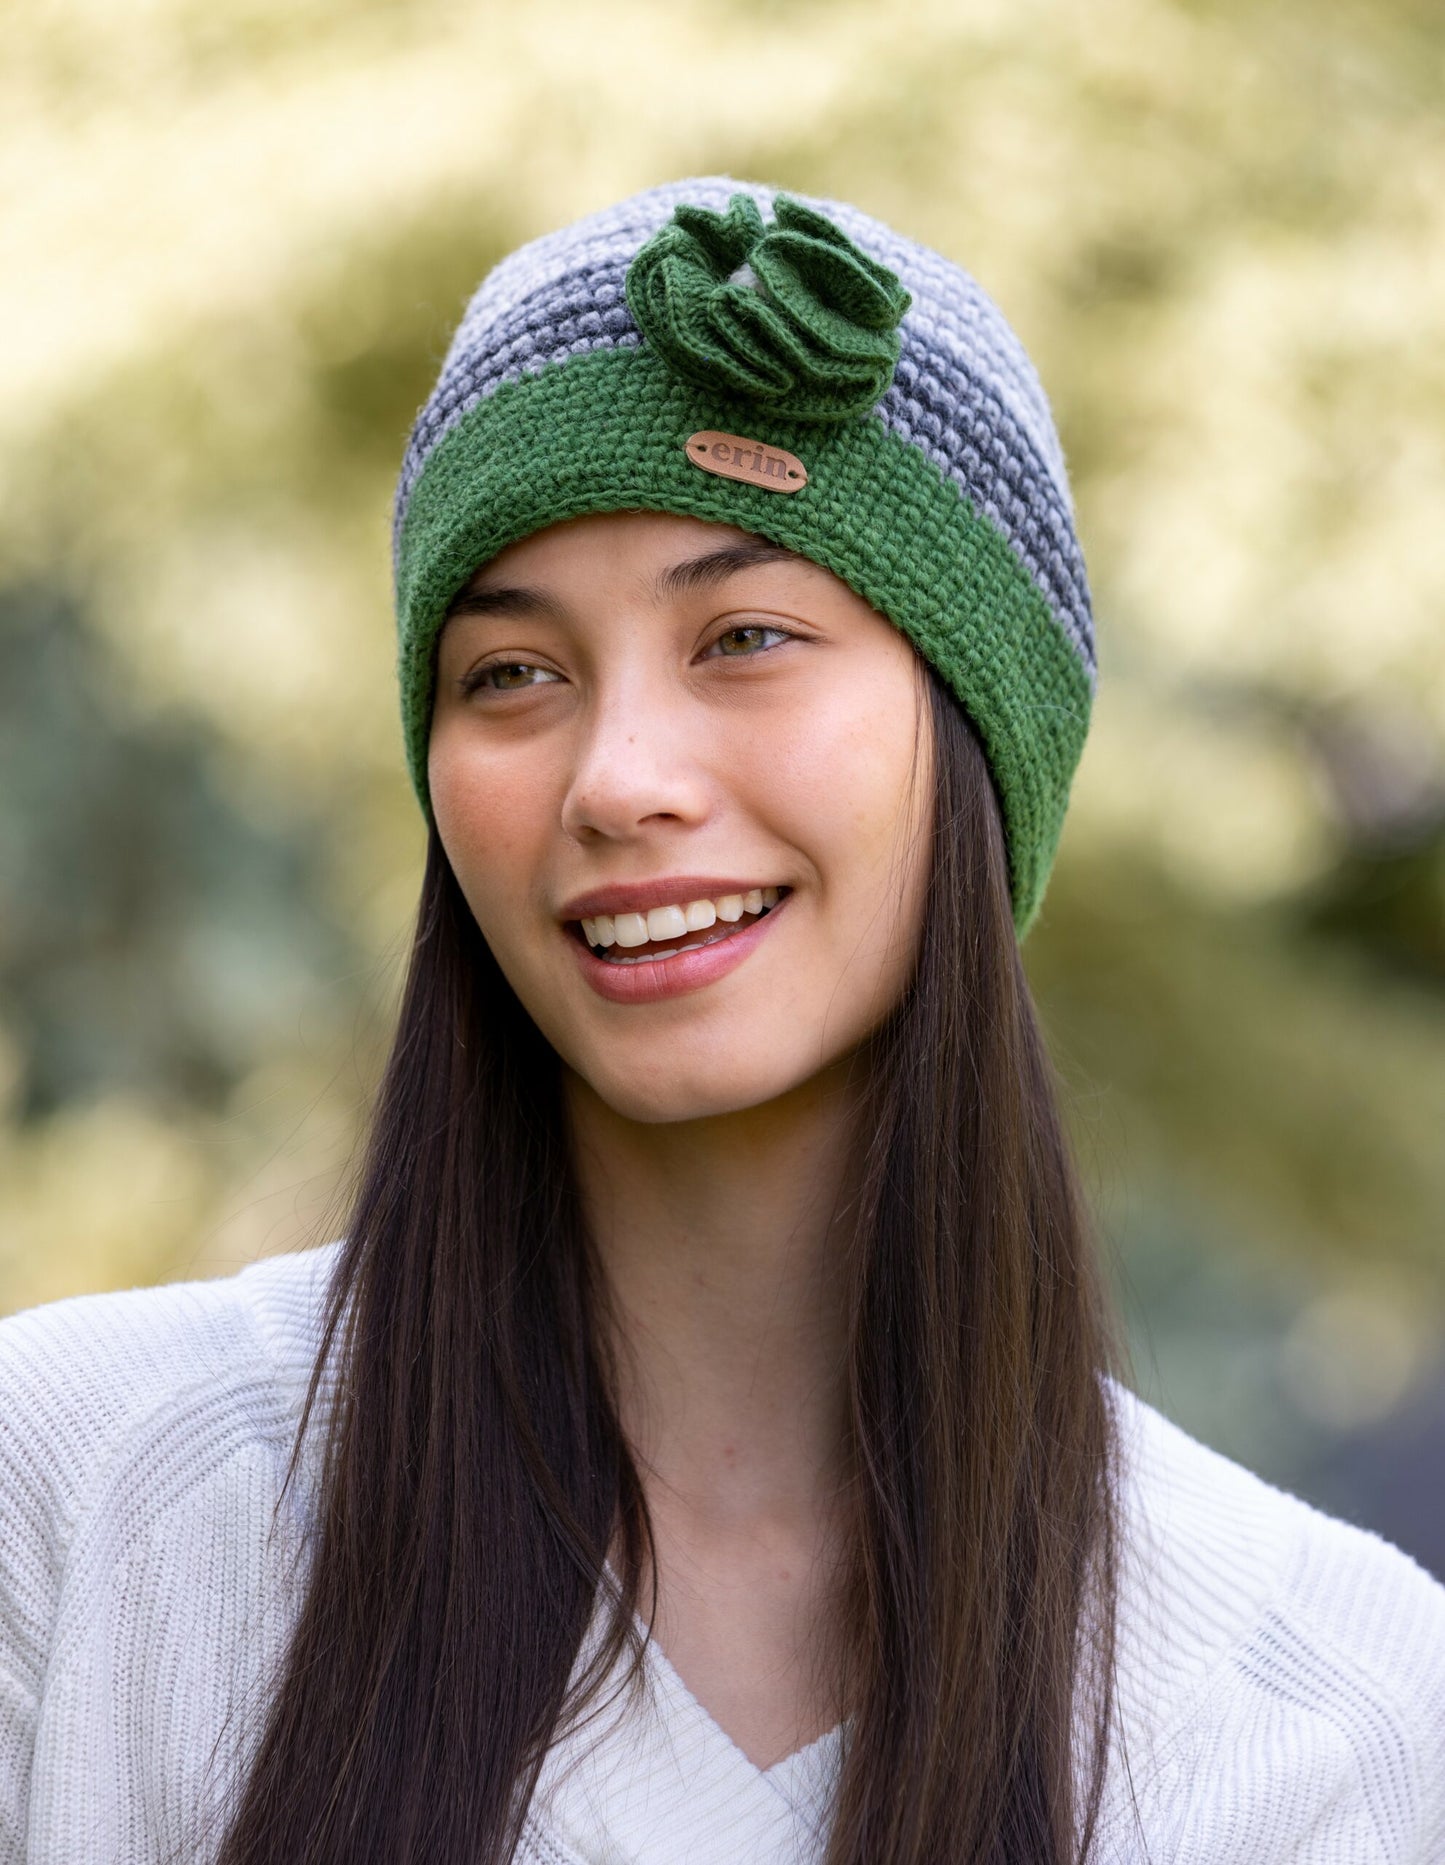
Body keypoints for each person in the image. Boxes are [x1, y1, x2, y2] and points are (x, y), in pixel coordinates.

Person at [0, 178, 1441, 1865]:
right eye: (511, 674)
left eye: (745, 636)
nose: (616, 782)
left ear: (978, 745)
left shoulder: (1332, 1716)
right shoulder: (77, 1504)